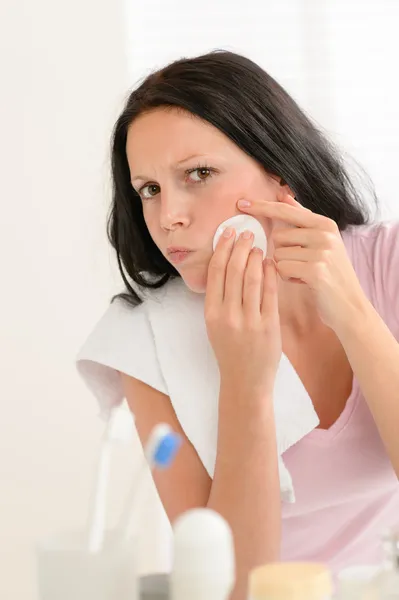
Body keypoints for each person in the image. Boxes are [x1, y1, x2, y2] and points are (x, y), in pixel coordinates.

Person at [77, 50, 399, 600]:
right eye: (149, 188)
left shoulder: (385, 262)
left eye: (197, 174)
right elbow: (229, 588)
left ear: (279, 175)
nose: (167, 215)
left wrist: (351, 310)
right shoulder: (143, 342)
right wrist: (246, 386)